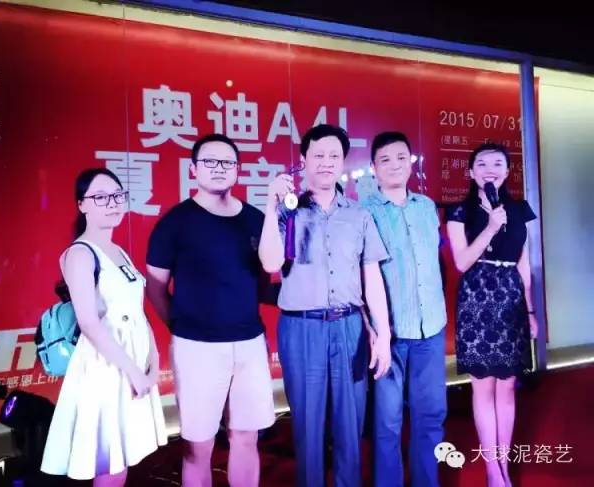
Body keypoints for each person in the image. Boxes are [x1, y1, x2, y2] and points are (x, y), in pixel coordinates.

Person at [259, 124, 392, 487]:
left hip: (350, 327)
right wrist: (270, 206)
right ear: (304, 160)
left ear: (343, 161)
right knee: (308, 427)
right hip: (301, 329)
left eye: (334, 155)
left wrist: (383, 335)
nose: (326, 162)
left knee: (351, 423)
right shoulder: (288, 211)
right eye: (318, 155)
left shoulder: (358, 215)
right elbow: (270, 262)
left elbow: (372, 278)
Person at [146, 134, 275, 487]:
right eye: (210, 162)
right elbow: (155, 287)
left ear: (238, 169)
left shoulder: (255, 219)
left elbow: (263, 279)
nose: (219, 169)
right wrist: (182, 327)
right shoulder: (175, 223)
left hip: (249, 343)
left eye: (227, 162)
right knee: (198, 446)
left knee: (246, 436)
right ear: (193, 169)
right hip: (196, 348)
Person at [41, 168, 167, 485]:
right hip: (106, 368)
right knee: (109, 460)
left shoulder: (118, 250)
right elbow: (89, 323)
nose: (112, 203)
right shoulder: (80, 254)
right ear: (82, 204)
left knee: (121, 459)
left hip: (130, 364)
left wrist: (153, 360)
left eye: (116, 195)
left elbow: (136, 312)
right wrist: (134, 371)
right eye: (100, 197)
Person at [446, 143, 538, 487]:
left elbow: (524, 265)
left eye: (498, 163)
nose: (490, 169)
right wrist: (489, 226)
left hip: (511, 300)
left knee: (508, 386)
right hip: (477, 301)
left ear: (507, 171)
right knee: (483, 388)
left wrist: (530, 309)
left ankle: (504, 463)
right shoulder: (459, 210)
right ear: (471, 172)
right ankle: (491, 469)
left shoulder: (520, 210)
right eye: (482, 164)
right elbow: (461, 262)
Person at [360, 132, 447, 487]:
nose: (394, 165)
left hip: (431, 328)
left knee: (431, 415)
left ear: (411, 162)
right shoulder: (365, 212)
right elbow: (360, 276)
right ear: (373, 168)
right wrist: (372, 329)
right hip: (390, 334)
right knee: (387, 422)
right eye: (385, 160)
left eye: (401, 157)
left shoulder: (426, 207)